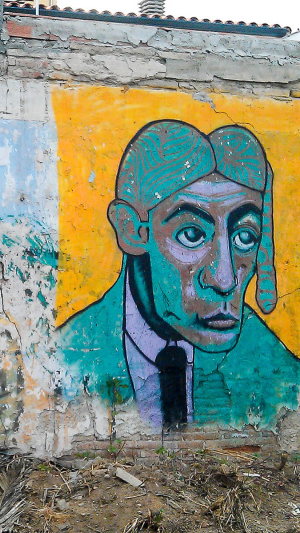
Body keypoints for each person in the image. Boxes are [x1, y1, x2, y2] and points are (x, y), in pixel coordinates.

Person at [58, 120, 300, 429]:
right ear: (131, 230)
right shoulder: (63, 360)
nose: (224, 279)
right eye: (191, 234)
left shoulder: (278, 372)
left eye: (244, 237)